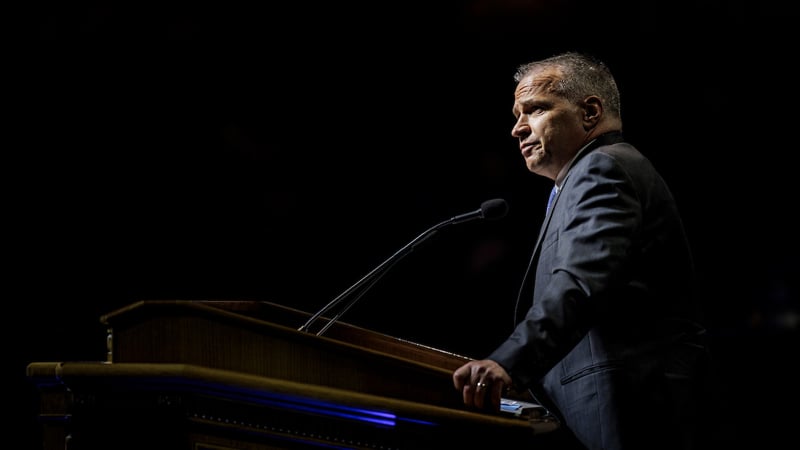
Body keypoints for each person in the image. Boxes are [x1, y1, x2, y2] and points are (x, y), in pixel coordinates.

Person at [452, 51, 711, 450]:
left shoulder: (603, 168)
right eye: (517, 115)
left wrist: (508, 362)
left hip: (628, 408)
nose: (517, 129)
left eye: (534, 110)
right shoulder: (582, 178)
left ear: (590, 112)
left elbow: (580, 281)